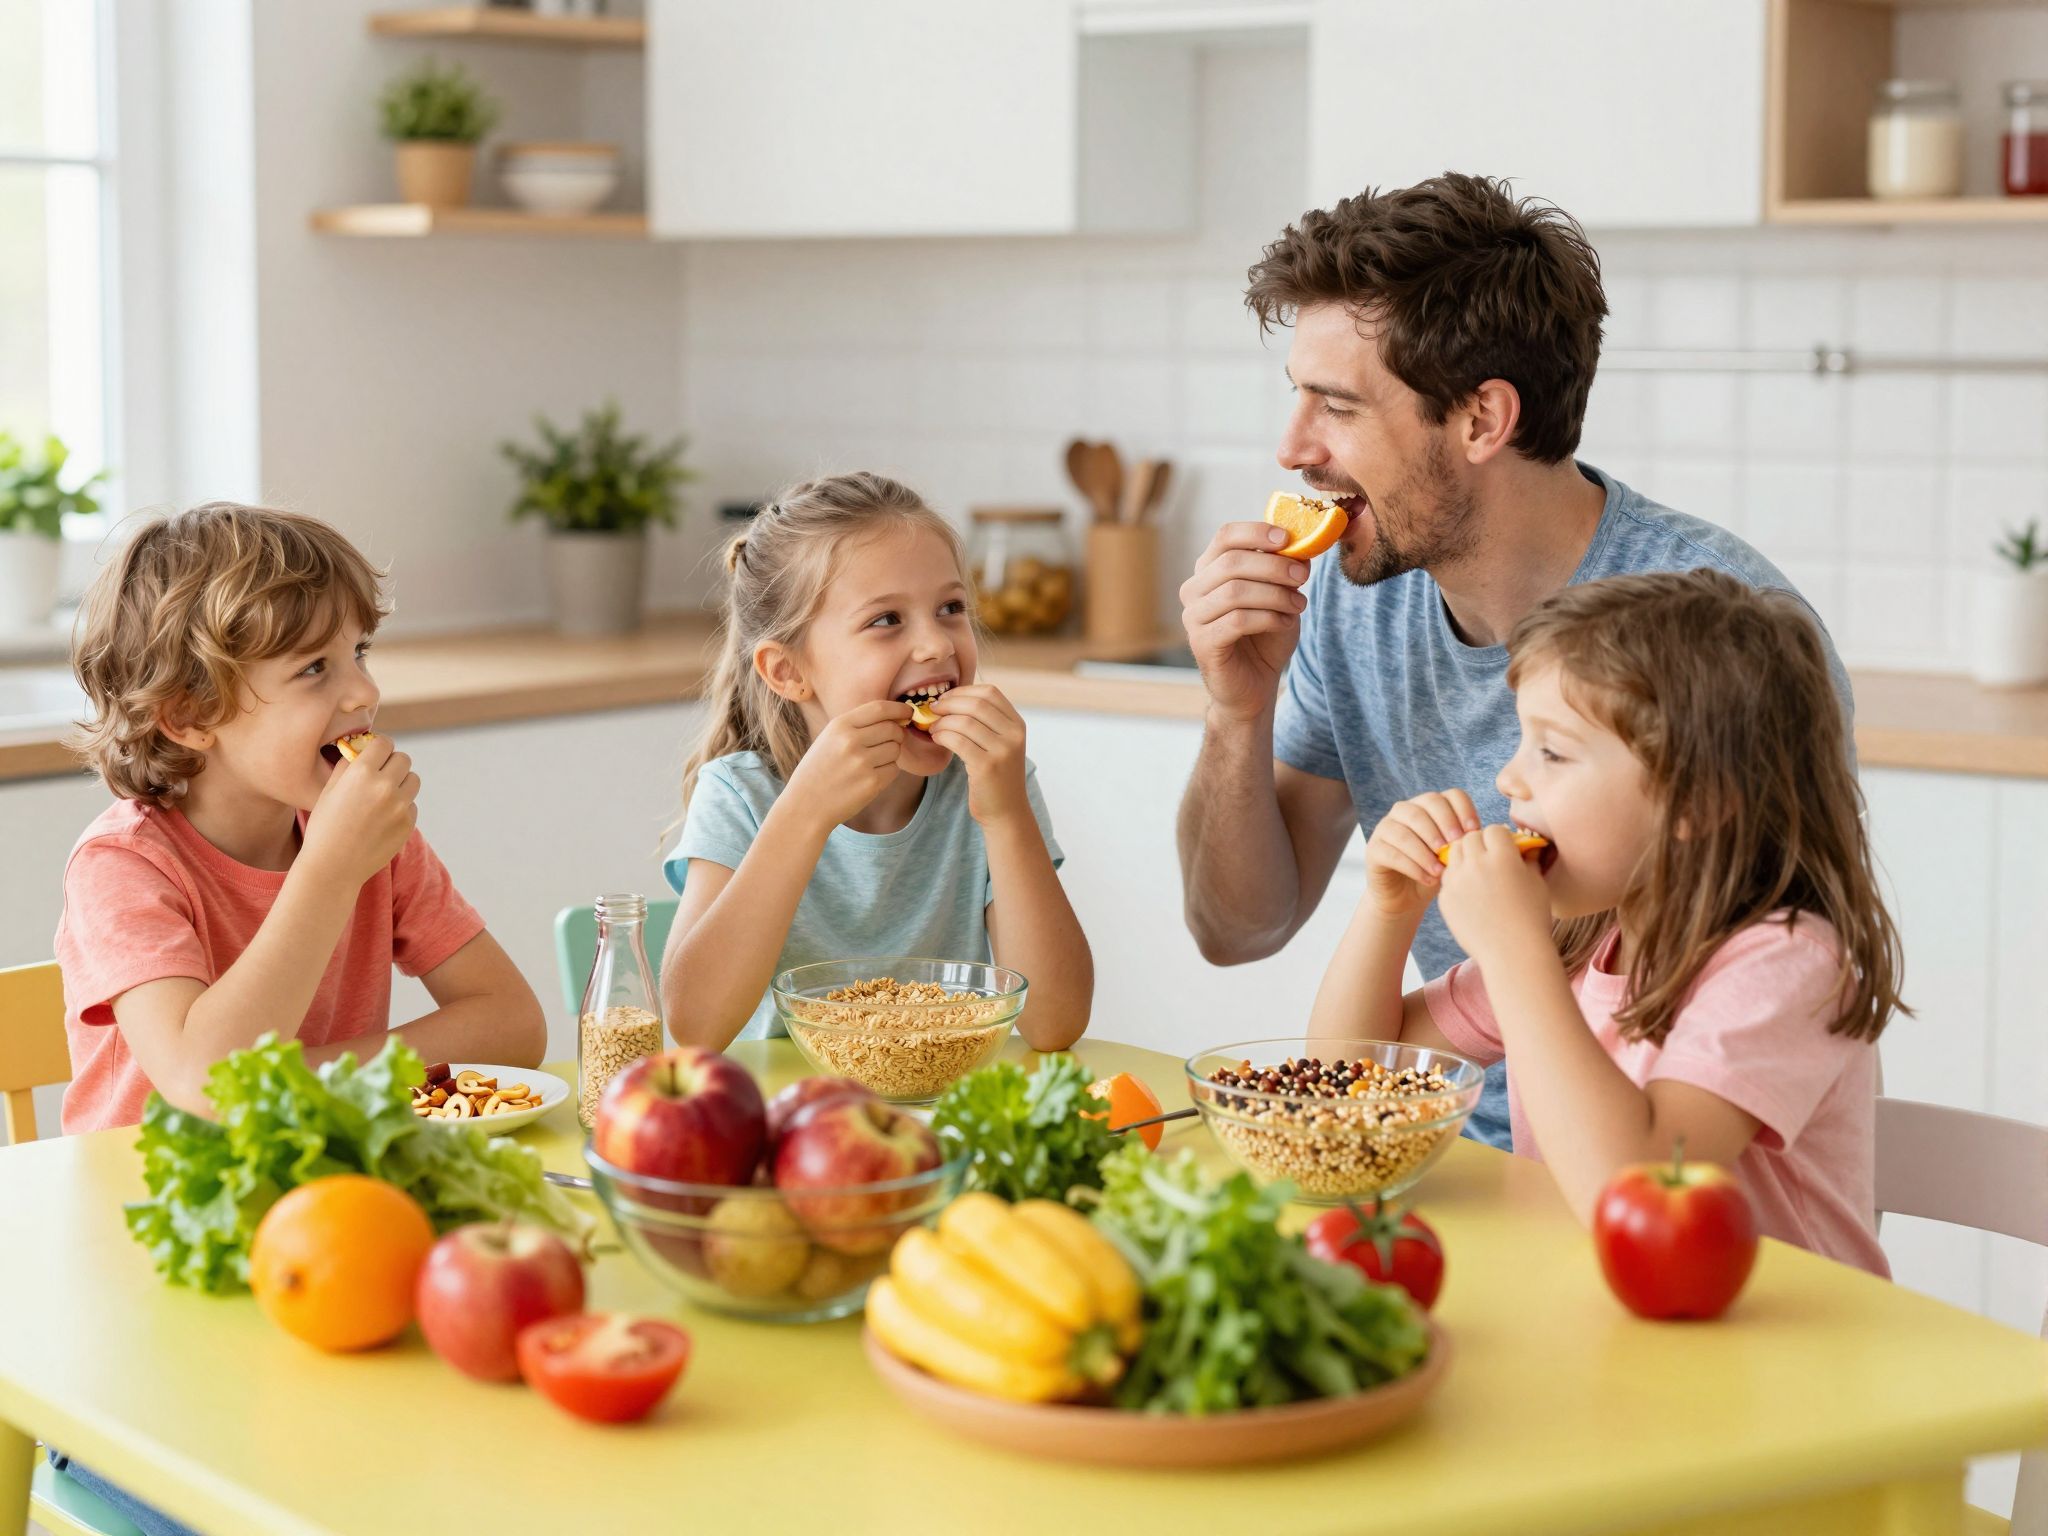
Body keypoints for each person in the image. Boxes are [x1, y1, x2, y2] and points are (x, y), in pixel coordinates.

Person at [1176, 172, 1853, 1148]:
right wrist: (1235, 710)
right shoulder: (1346, 601)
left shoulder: (1721, 640)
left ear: (1482, 419)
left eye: (1336, 407)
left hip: (1658, 1189)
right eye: (1297, 401)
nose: (1291, 449)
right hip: (1442, 1148)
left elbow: (1764, 987)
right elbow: (1233, 933)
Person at [50, 501, 545, 1536]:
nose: (364, 691)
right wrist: (328, 871)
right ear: (188, 712)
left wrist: (302, 1067)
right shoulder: (126, 867)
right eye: (313, 671)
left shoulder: (367, 840)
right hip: (143, 1323)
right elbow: (200, 1078)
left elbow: (507, 1023)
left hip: (325, 1258)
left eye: (358, 651)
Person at [1310, 571, 1900, 1273]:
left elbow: (1638, 1192)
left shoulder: (1787, 963)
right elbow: (1347, 1080)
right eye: (1522, 742)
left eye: (1551, 752)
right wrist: (1388, 911)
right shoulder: (1584, 942)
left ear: (1698, 802)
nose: (1509, 780)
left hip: (1785, 1355)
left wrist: (1512, 949)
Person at [660, 472, 1091, 1050]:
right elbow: (695, 1027)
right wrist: (804, 814)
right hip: (786, 1116)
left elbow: (1055, 1023)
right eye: (886, 620)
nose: (938, 644)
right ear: (788, 671)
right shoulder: (741, 794)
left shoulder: (993, 785)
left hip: (944, 1109)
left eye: (951, 607)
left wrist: (1008, 816)